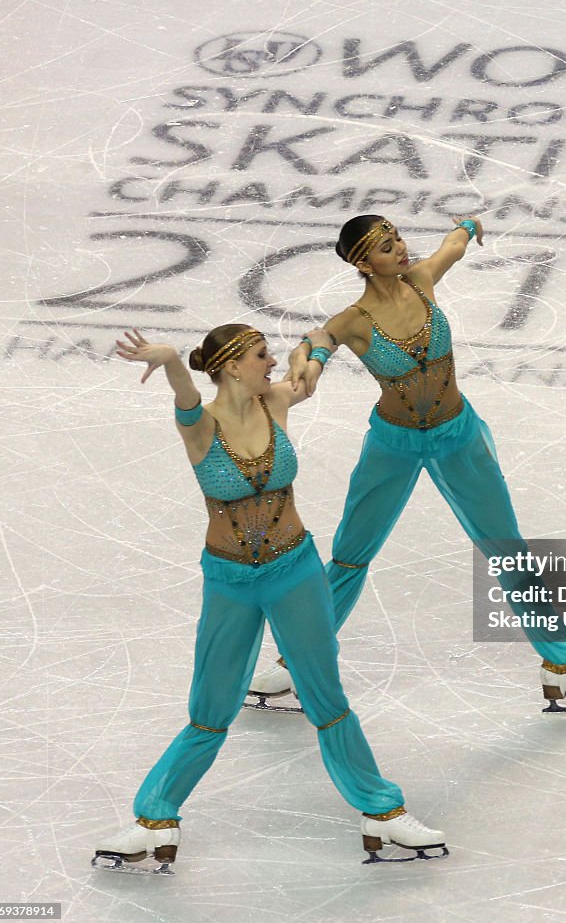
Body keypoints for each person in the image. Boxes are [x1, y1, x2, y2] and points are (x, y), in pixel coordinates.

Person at [92, 325, 447, 875]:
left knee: (326, 698)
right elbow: (186, 399)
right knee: (209, 709)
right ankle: (153, 819)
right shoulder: (201, 426)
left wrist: (317, 346)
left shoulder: (277, 399)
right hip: (229, 582)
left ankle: (380, 810)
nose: (271, 361)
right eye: (262, 355)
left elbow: (307, 375)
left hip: (295, 571)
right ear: (233, 366)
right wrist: (168, 362)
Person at [249, 217, 566, 714]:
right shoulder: (354, 321)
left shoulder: (422, 281)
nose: (401, 249)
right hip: (394, 446)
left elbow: (452, 247)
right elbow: (318, 340)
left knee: (508, 551)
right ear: (363, 263)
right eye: (387, 247)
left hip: (457, 438)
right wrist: (306, 360)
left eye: (398, 238)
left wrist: (469, 227)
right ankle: (293, 664)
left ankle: (565, 664)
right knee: (349, 557)